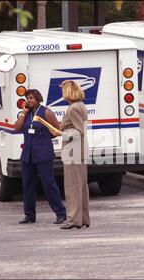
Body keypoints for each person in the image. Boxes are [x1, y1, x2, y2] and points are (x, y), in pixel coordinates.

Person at [35, 80, 90, 229]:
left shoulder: (73, 108)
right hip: (78, 151)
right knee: (81, 186)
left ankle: (74, 220)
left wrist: (60, 133)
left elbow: (79, 131)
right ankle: (83, 218)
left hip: (73, 151)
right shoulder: (80, 106)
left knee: (73, 187)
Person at [14, 89, 67, 224]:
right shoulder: (26, 114)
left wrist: (44, 138)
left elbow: (56, 130)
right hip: (28, 154)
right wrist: (23, 113)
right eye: (27, 98)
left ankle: (60, 213)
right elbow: (17, 128)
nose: (29, 100)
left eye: (31, 98)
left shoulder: (46, 112)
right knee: (27, 185)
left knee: (48, 183)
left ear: (38, 99)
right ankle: (29, 215)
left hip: (43, 154)